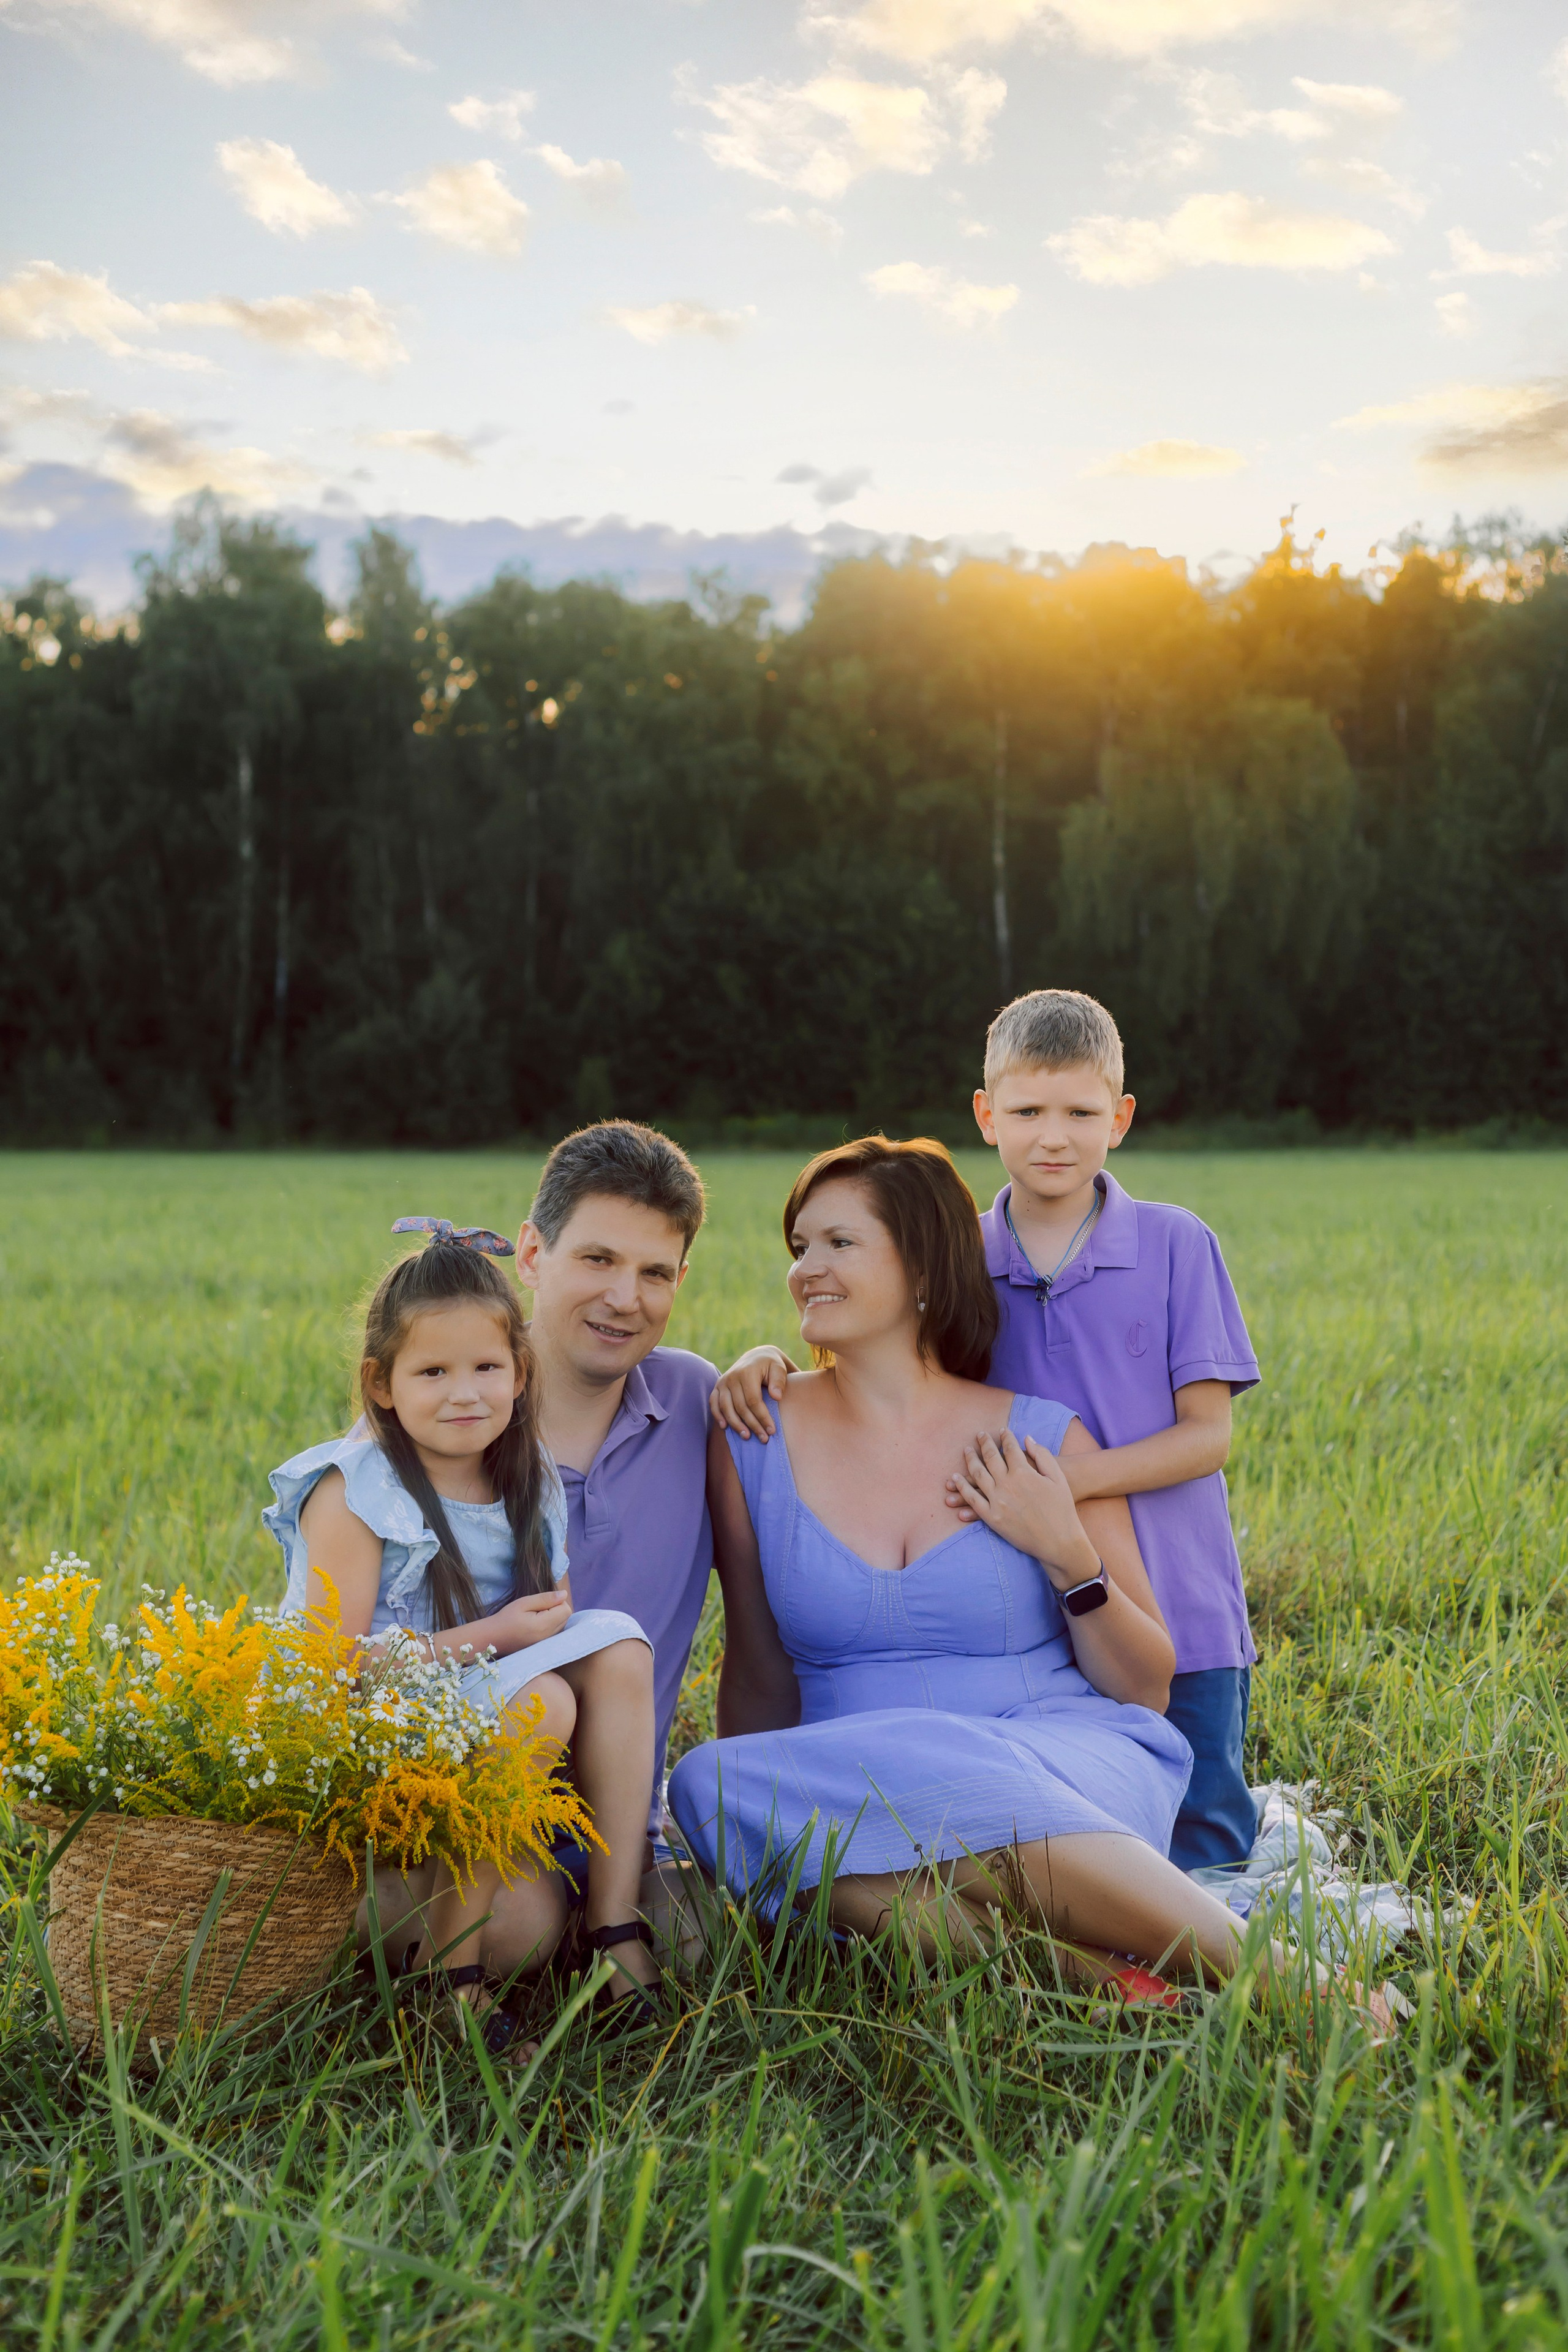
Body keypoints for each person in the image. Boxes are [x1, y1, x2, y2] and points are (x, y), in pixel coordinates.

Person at [669, 1136, 1261, 2003]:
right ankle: (1105, 1983)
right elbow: (758, 1669)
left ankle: (1282, 1976)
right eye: (799, 1247)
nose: (806, 1269)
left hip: (1062, 1761)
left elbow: (1145, 1687)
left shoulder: (1039, 1437)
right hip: (858, 1785)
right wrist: (761, 1826)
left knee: (935, 1779)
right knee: (708, 1785)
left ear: (922, 1269)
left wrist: (1066, 1551)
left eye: (840, 1243)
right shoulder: (754, 1435)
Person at [711, 989, 1261, 1873]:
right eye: (1028, 1111)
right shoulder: (953, 1251)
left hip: (1171, 1589)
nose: (1054, 1135)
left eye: (1080, 1113)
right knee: (1033, 1812)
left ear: (1119, 1118)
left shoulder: (1173, 1244)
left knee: (1200, 1840)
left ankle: (1213, 1958)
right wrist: (762, 1356)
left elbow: (1209, 1438)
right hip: (1012, 1590)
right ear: (986, 1115)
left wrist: (1052, 1494)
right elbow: (881, 1365)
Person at [264, 1219, 660, 2051]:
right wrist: (494, 1634)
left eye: (486, 1367)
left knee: (619, 1650)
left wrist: (520, 1634)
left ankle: (616, 1930)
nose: (464, 1393)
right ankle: (453, 1985)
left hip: (473, 1752)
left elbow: (549, 1619)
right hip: (371, 1751)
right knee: (542, 1701)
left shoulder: (530, 1479)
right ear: (382, 1383)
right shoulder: (357, 1490)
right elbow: (323, 1671)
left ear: (520, 1372)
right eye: (433, 1372)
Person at [514, 1121, 799, 1898]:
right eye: (597, 1259)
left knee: (707, 1953)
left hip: (625, 1839)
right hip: (463, 1824)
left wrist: (767, 1362)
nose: (624, 1299)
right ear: (533, 1255)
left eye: (655, 1272)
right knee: (515, 1932)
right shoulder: (448, 1411)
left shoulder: (689, 1402)